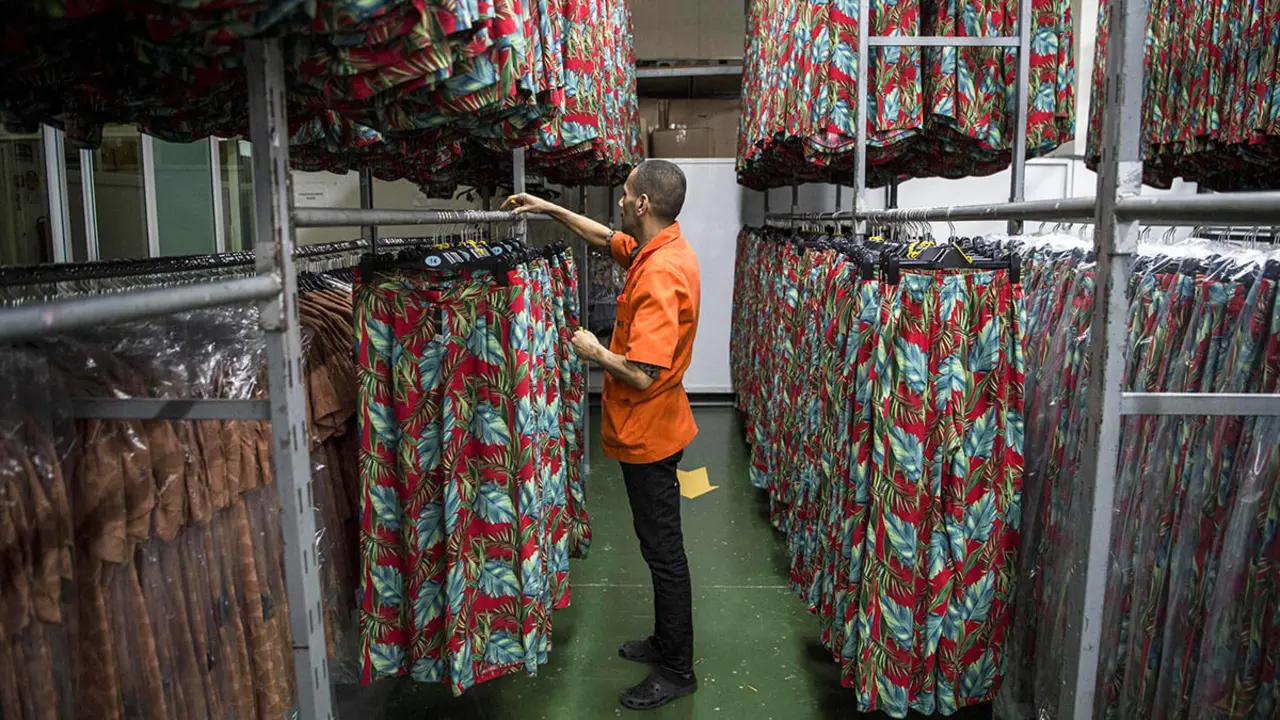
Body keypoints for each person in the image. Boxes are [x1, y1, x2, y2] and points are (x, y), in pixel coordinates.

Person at [504, 159, 701, 710]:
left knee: (664, 553)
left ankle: (678, 669)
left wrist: (595, 352)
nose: (619, 201)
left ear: (643, 204)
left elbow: (643, 372)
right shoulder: (658, 248)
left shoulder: (662, 272)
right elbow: (603, 236)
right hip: (651, 426)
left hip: (651, 432)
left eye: (625, 194)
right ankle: (666, 641)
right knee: (656, 545)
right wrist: (548, 208)